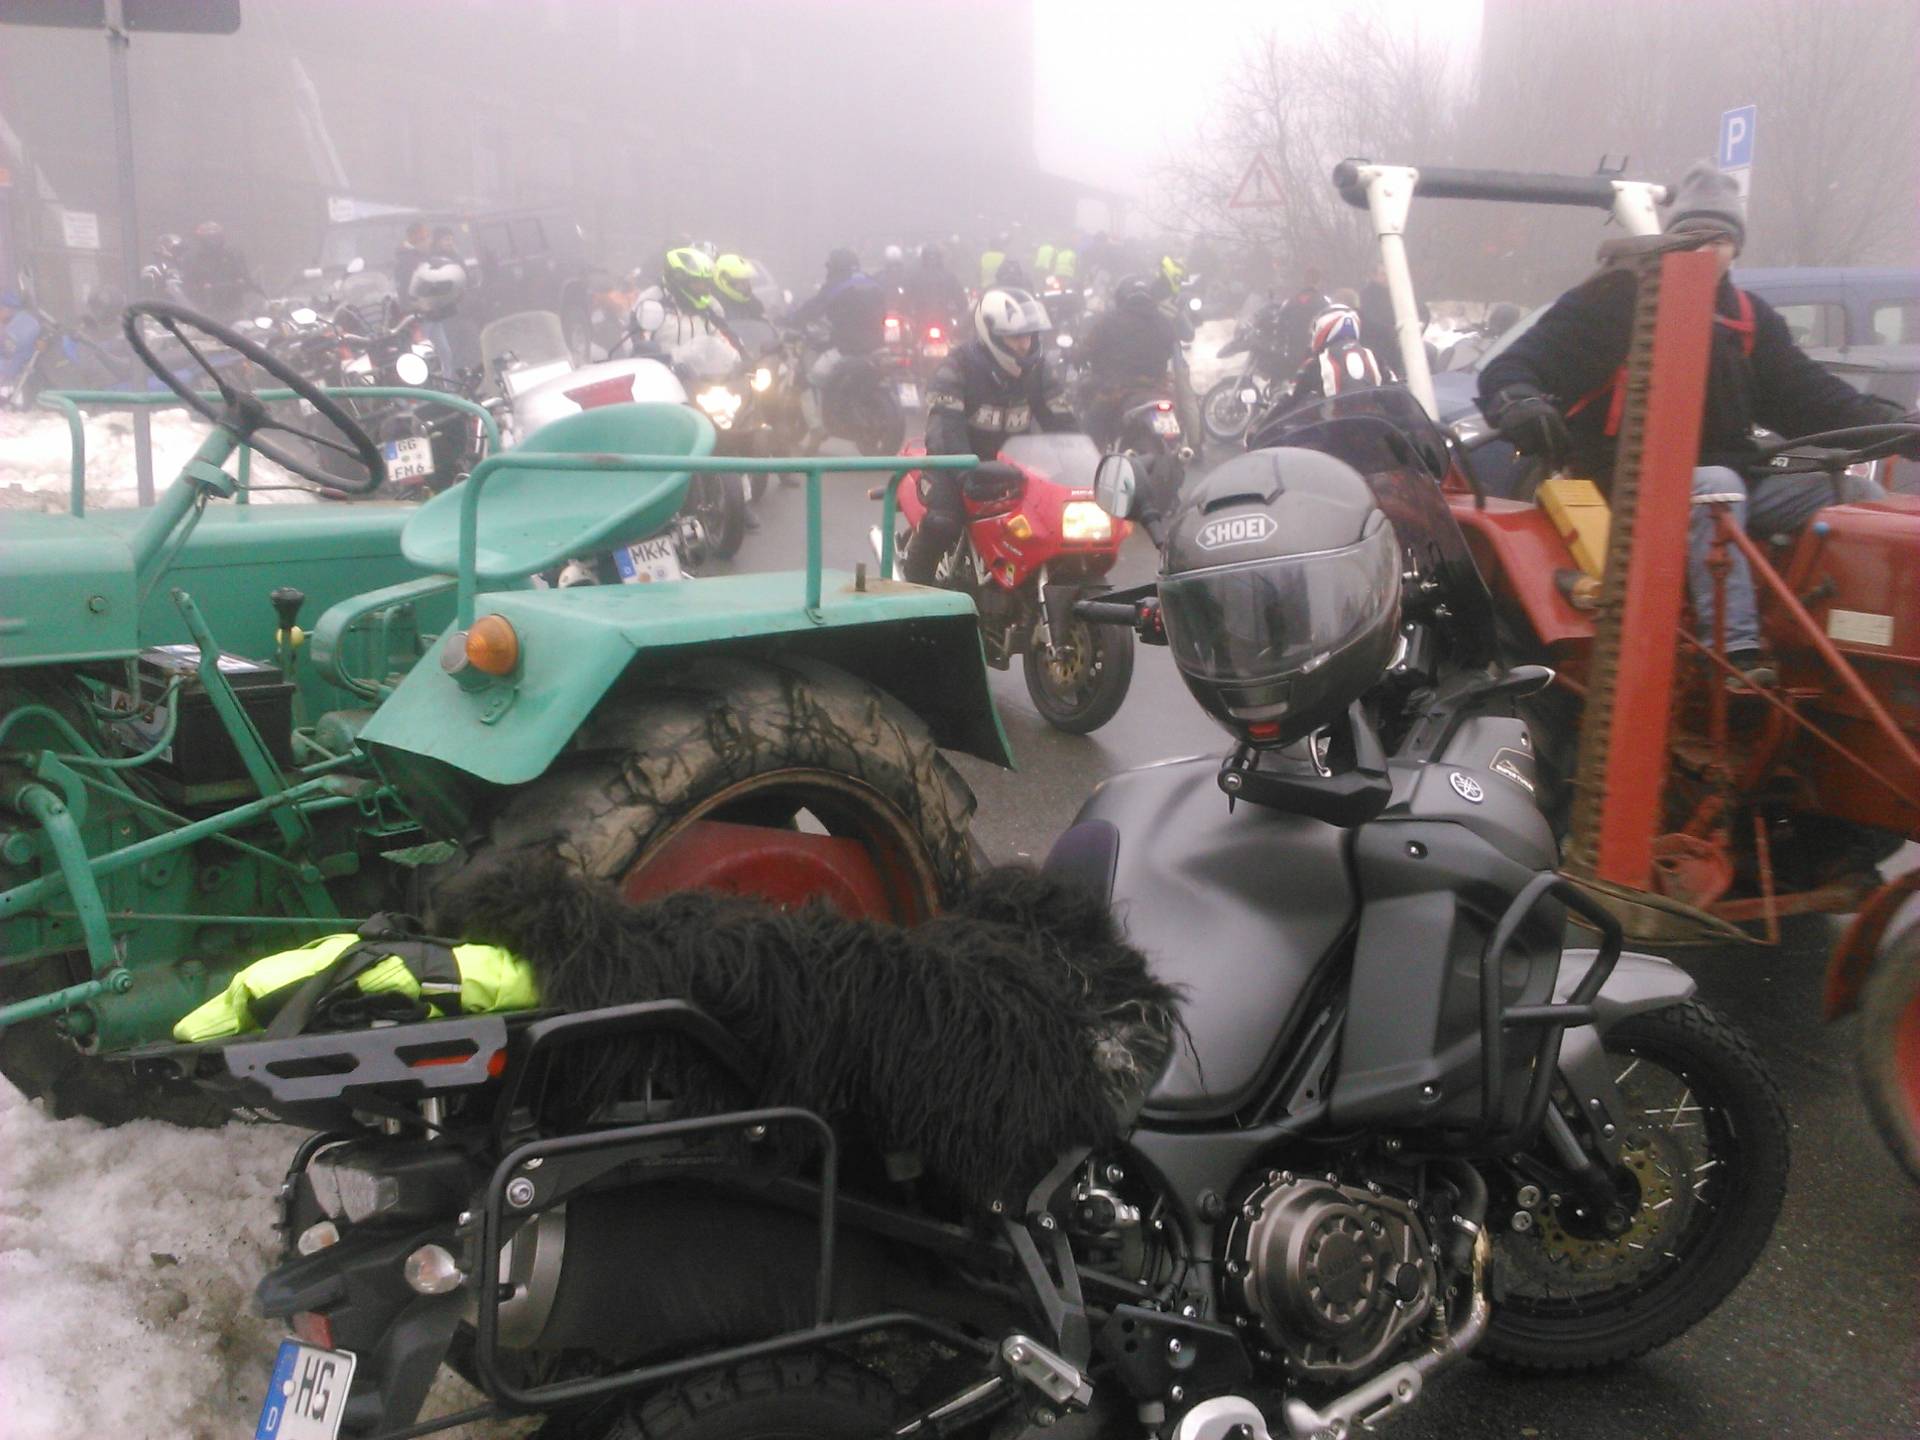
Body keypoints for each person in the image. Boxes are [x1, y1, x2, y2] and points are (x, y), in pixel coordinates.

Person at [1478, 160, 1920, 688]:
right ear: (1671, 239)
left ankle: (1844, 644)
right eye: (1694, 235)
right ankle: (1733, 655)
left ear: (1737, 248)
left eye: (1721, 238)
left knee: (1853, 495)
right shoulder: (1616, 301)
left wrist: (1895, 426)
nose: (1707, 249)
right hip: (1621, 482)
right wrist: (1518, 400)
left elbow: (1813, 397)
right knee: (1717, 485)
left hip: (1730, 479)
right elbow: (1515, 366)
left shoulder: (1748, 318)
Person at [907, 287, 1078, 583]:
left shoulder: (1039, 371)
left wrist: (1086, 469)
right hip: (956, 465)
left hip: (1015, 467)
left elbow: (1063, 422)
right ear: (991, 334)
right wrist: (966, 472)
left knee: (1055, 524)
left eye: (1029, 335)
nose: (1025, 345)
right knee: (943, 523)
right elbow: (945, 430)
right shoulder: (957, 367)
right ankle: (912, 594)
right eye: (1015, 337)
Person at [789, 248, 887, 444]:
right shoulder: (872, 282)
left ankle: (816, 428)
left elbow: (813, 308)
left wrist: (790, 319)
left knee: (808, 380)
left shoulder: (836, 286)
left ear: (835, 267)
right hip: (878, 347)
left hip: (847, 349)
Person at [1079, 274, 1179, 449]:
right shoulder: (1164, 321)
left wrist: (1077, 354)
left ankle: (1095, 461)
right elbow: (1171, 349)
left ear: (1121, 297)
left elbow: (1088, 347)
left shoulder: (1110, 320)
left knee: (1091, 426)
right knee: (1177, 434)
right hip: (1158, 388)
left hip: (1119, 389)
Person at [179, 220, 257, 320]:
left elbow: (246, 279)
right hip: (205, 313)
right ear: (201, 238)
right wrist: (203, 289)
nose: (213, 241)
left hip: (235, 309)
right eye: (209, 237)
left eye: (215, 236)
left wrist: (240, 284)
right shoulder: (191, 257)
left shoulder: (234, 254)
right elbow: (188, 286)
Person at [903, 244, 968, 334]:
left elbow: (961, 300)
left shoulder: (916, 276)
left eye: (933, 258)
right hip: (926, 321)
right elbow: (962, 301)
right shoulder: (948, 276)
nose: (932, 261)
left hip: (936, 321)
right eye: (930, 258)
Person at [1274, 268, 1328, 369]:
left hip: (1292, 342)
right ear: (1319, 282)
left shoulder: (1293, 298)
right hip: (1309, 345)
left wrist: (1281, 340)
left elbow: (1282, 319)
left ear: (1304, 280)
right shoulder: (1323, 302)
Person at [0, 289, 44, 393]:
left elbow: (9, 351)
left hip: (10, 368)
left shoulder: (20, 326)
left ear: (7, 310)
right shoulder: (22, 322)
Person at [393, 222, 432, 297]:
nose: (429, 241)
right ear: (413, 237)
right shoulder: (406, 259)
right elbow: (405, 288)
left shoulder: (422, 255)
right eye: (425, 238)